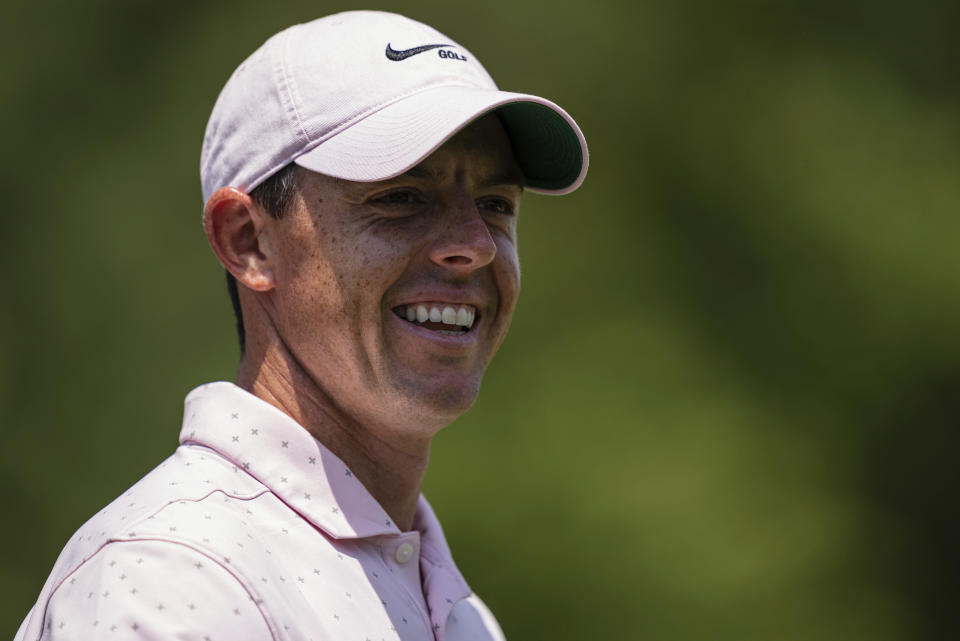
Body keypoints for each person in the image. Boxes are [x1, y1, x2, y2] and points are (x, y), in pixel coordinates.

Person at [15, 10, 587, 641]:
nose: (474, 245)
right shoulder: (173, 577)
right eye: (400, 196)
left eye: (495, 205)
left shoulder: (462, 616)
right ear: (248, 241)